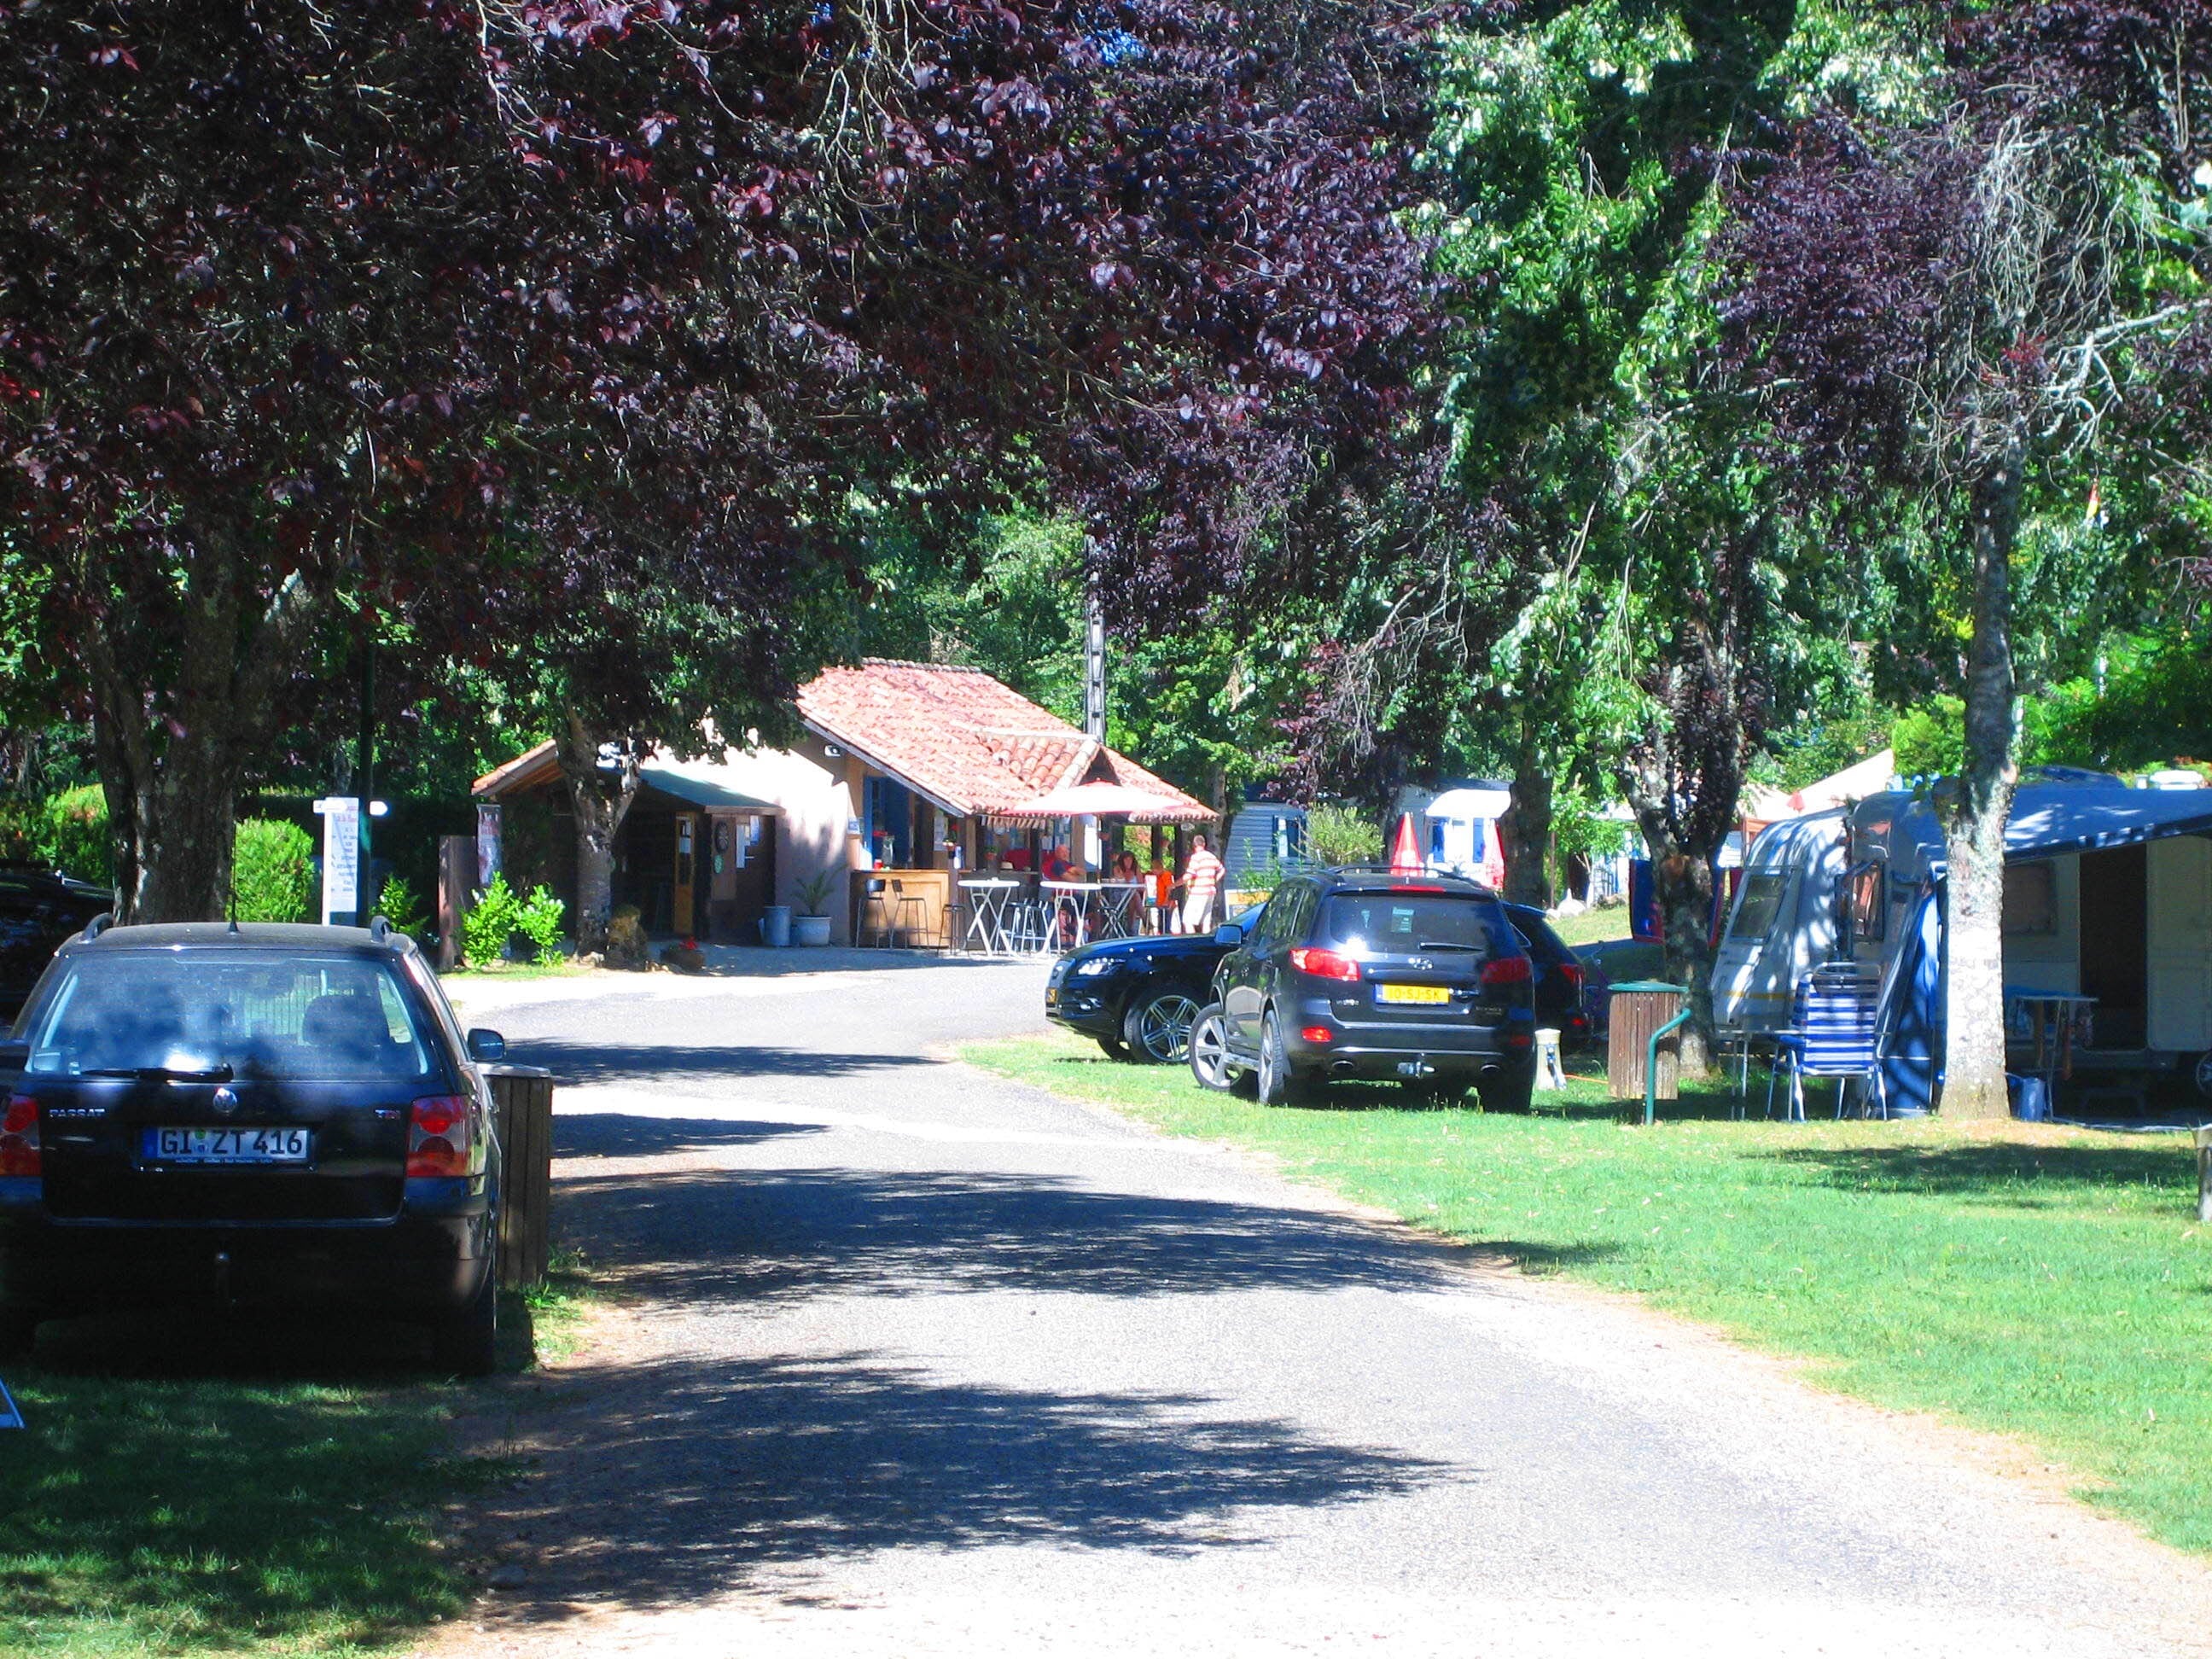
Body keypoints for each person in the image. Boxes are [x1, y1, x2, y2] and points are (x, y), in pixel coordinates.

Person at [1180, 832, 1225, 934]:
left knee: (1187, 920)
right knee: (1206, 921)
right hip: (1210, 892)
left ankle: (1191, 943)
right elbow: (1222, 870)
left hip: (1198, 893)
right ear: (1204, 844)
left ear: (1194, 845)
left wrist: (1174, 884)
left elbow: (1189, 875)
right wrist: (1214, 880)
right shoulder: (1211, 857)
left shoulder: (1196, 858)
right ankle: (1206, 943)